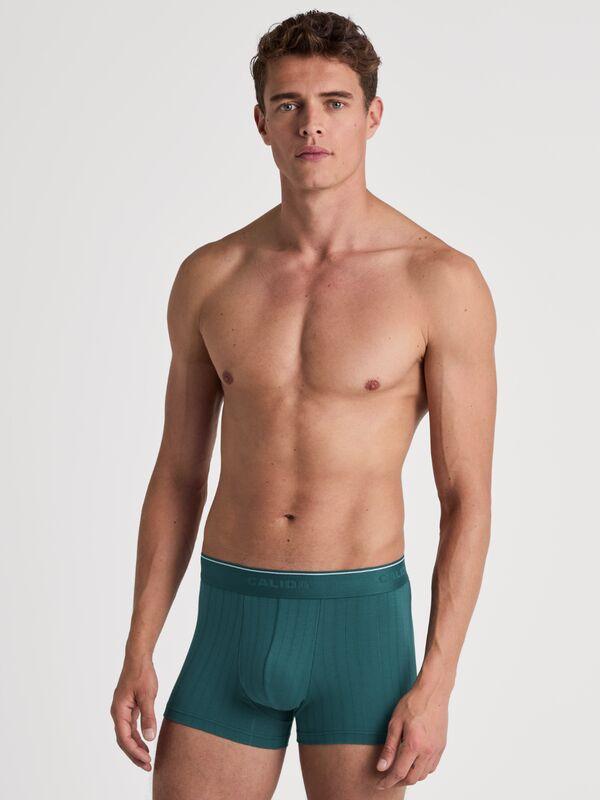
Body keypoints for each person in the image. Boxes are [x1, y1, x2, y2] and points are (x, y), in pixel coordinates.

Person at [110, 10, 497, 799]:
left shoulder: (438, 281)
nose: (310, 124)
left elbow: (467, 497)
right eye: (288, 104)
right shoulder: (212, 276)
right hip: (229, 622)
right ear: (261, 122)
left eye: (334, 103)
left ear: (372, 115)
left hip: (361, 632)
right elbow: (178, 475)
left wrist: (438, 682)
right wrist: (138, 645)